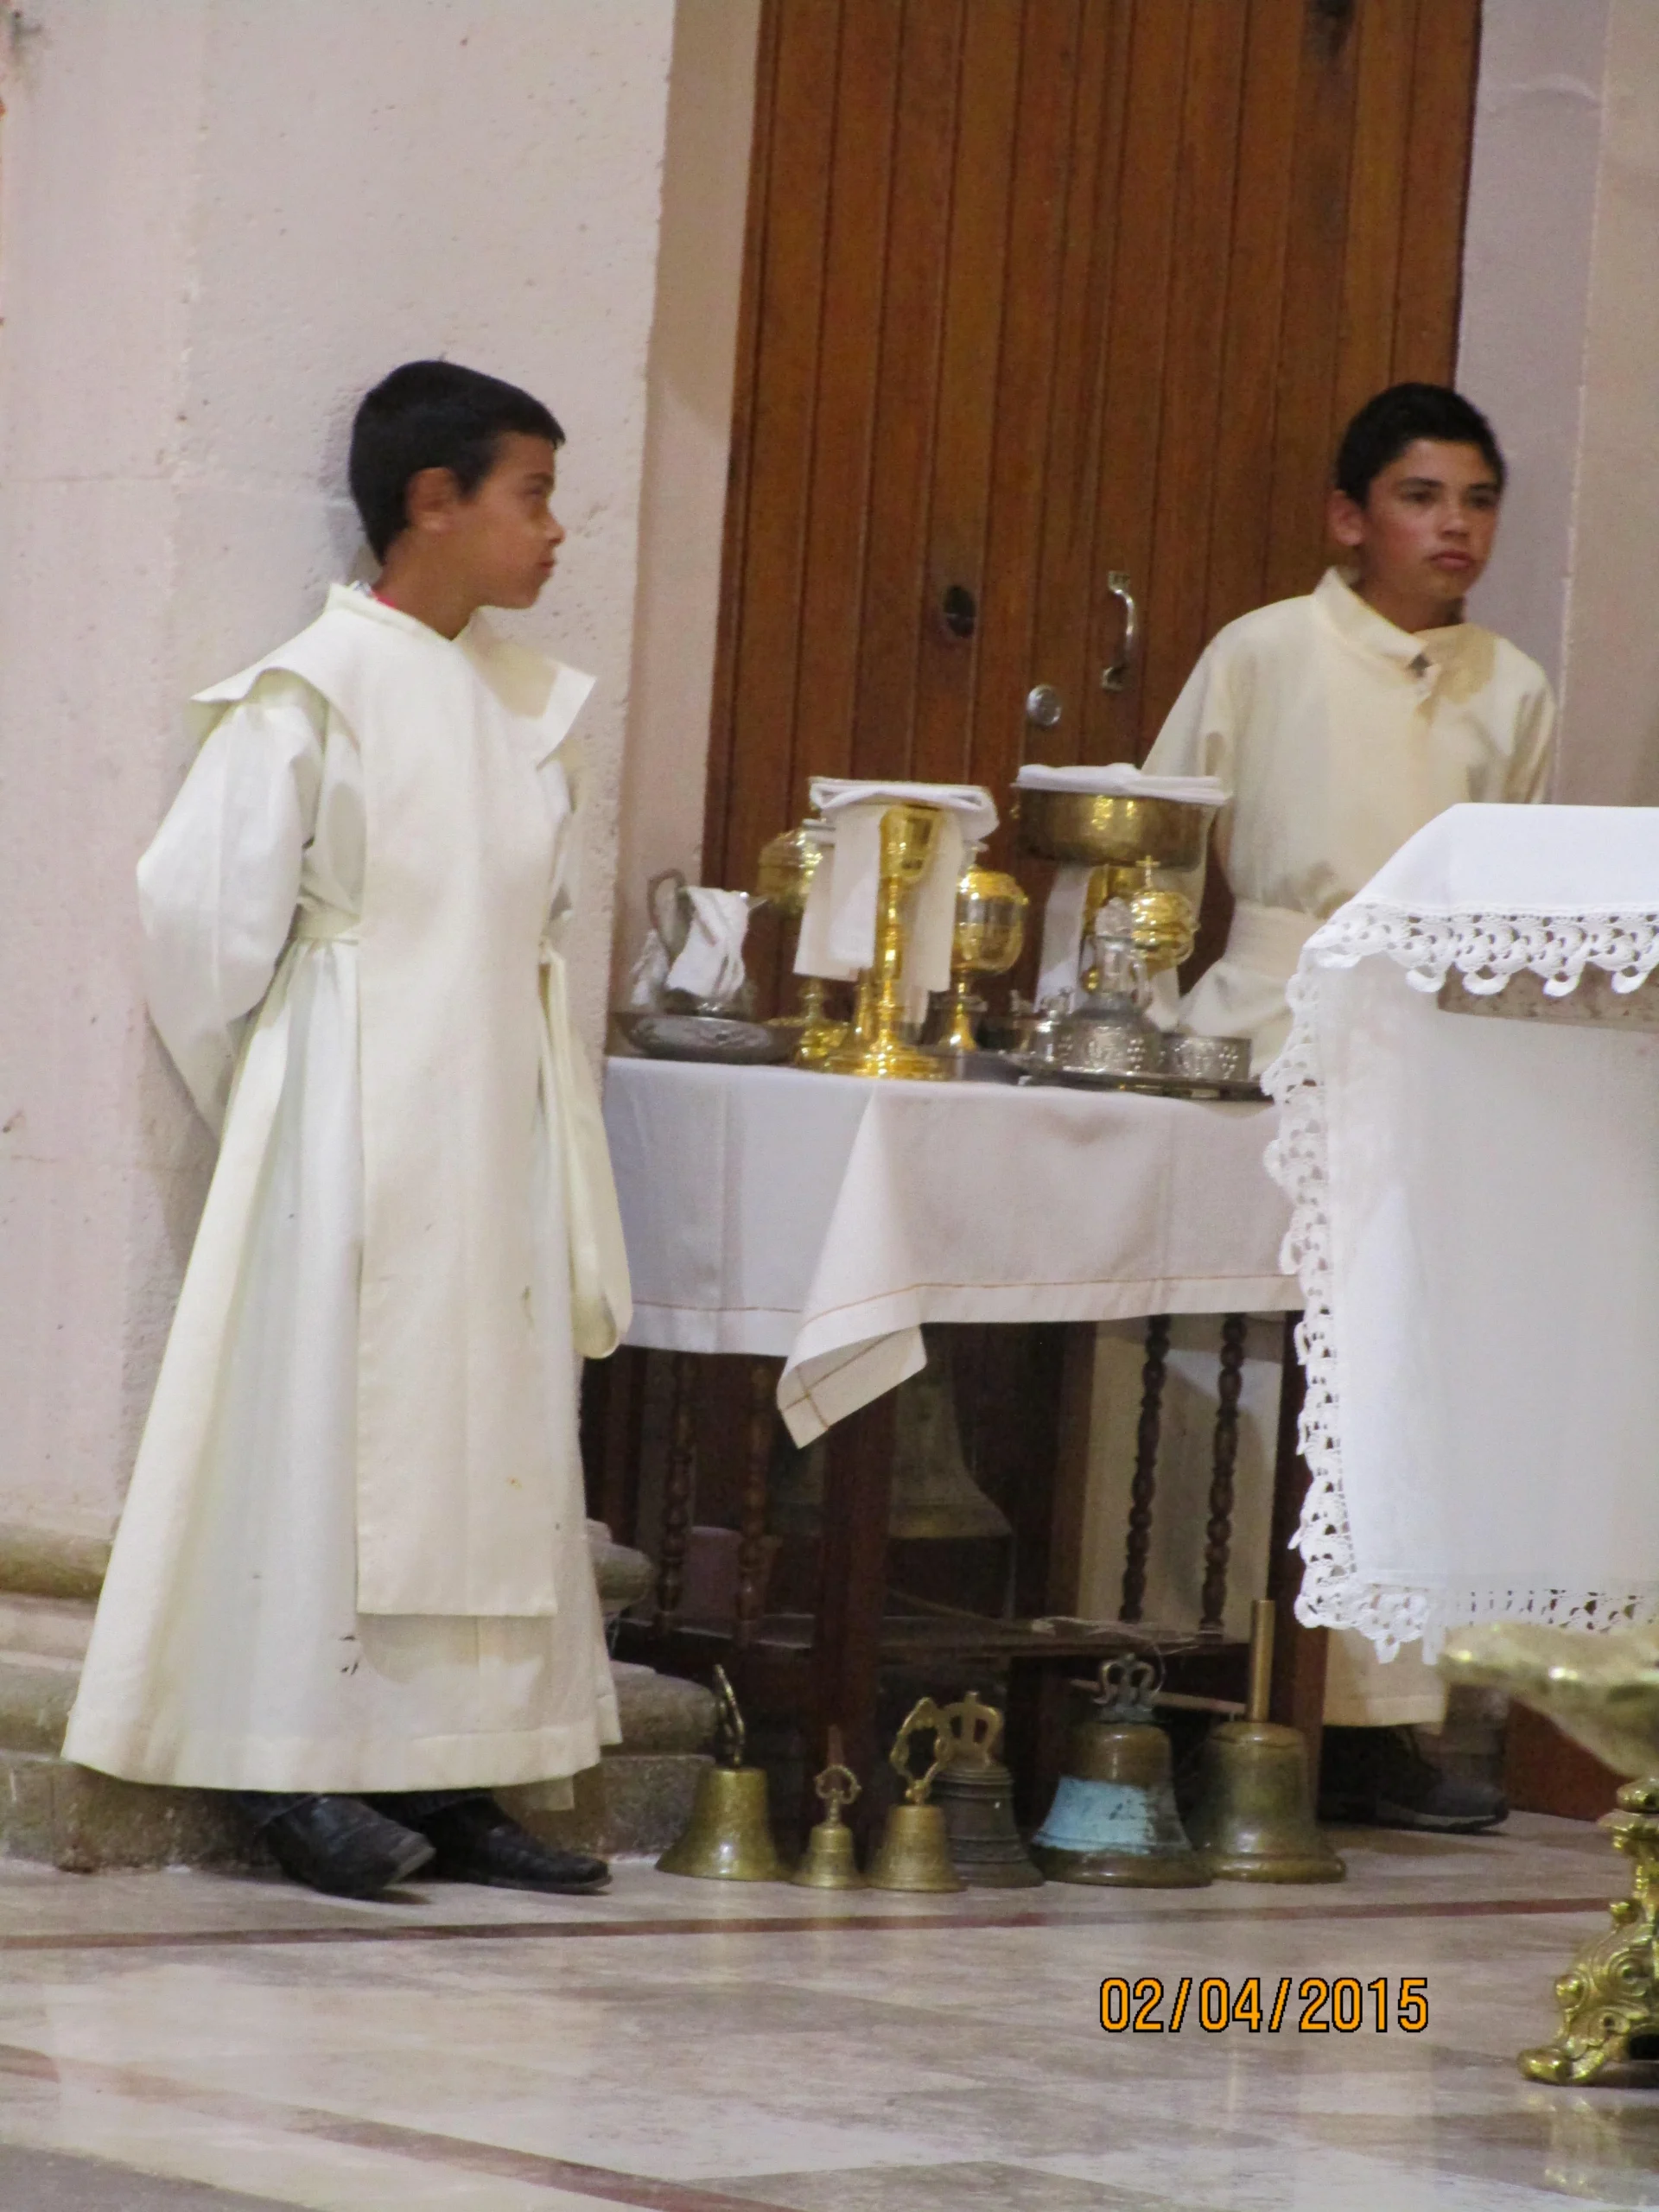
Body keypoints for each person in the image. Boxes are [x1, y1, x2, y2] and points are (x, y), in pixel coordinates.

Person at [63, 361, 633, 1899]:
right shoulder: (314, 686)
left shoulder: (528, 709)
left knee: (488, 1441)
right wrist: (292, 1104)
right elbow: (198, 920)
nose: (557, 531)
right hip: (343, 1111)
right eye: (532, 494)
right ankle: (289, 1771)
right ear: (431, 503)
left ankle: (454, 1774)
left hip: (491, 1120)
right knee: (325, 1440)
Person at [1145, 383, 1556, 1830]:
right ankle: (1179, 1696)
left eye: (1480, 500)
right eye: (1424, 497)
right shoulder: (1267, 648)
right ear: (1349, 516)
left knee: (1400, 1388)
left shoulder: (1510, 686)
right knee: (1218, 1370)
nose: (1456, 528)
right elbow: (1157, 840)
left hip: (1429, 1050)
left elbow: (1511, 899)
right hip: (1265, 1023)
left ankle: (1375, 1721)